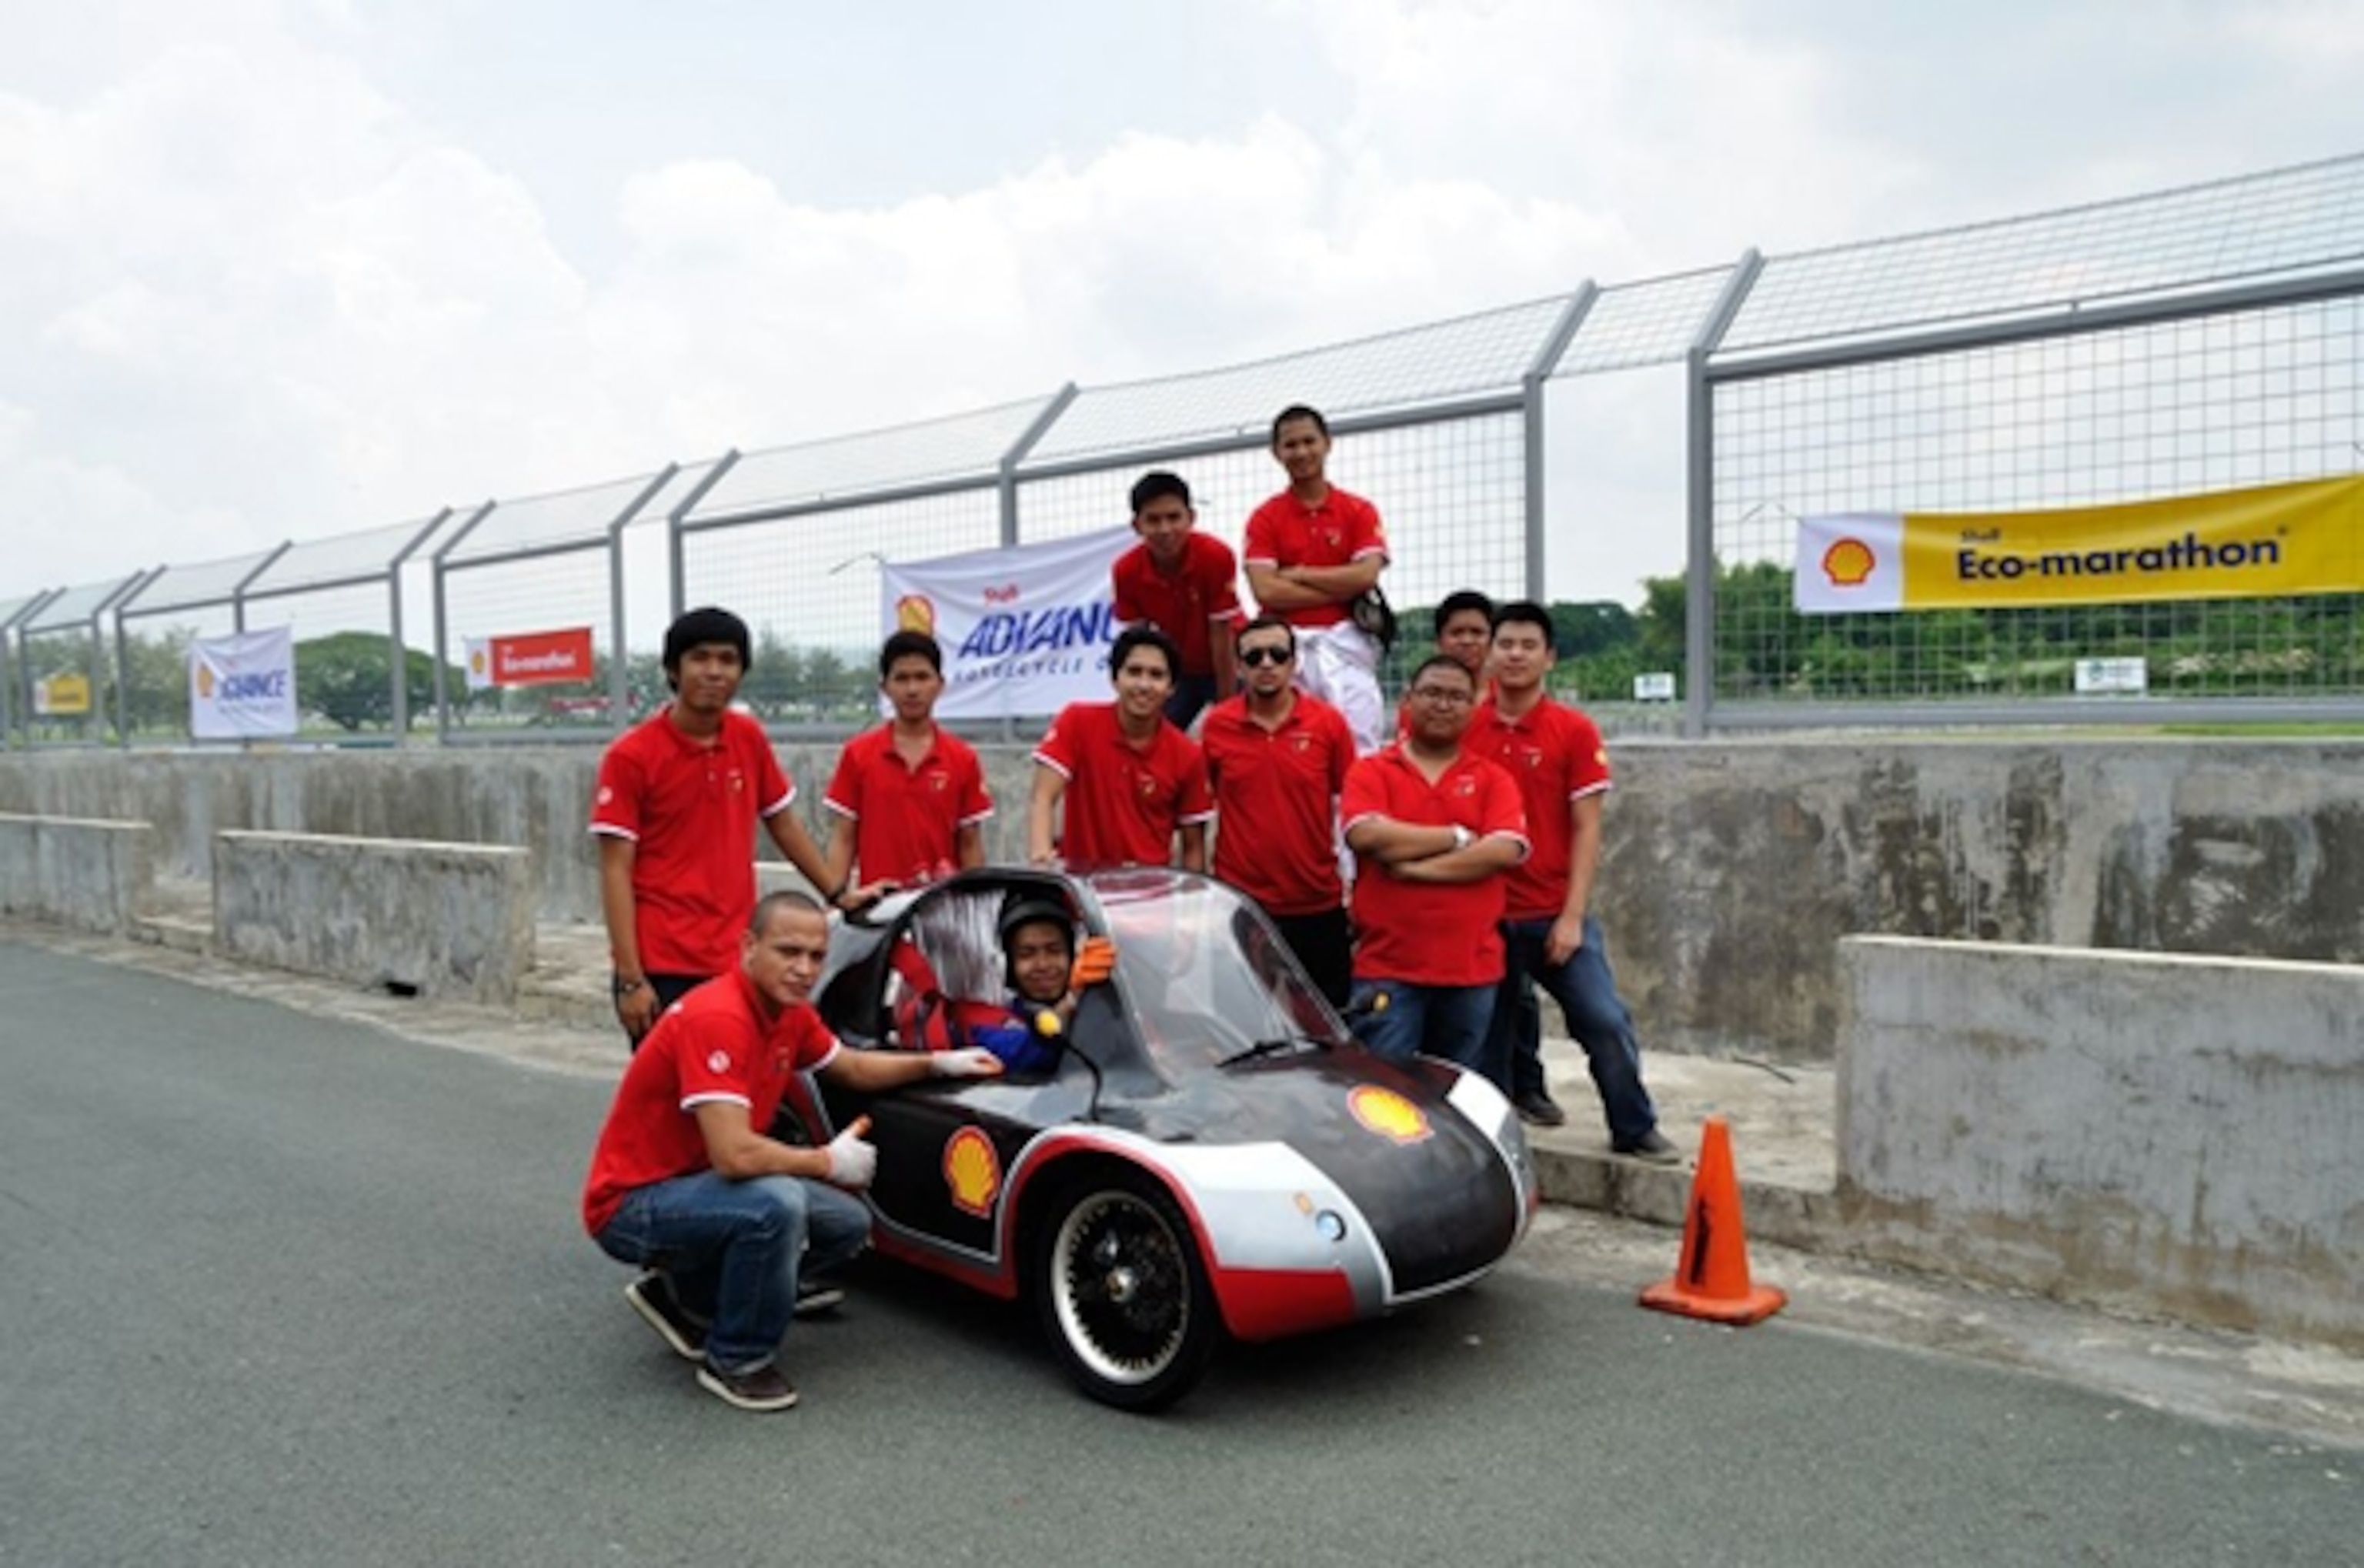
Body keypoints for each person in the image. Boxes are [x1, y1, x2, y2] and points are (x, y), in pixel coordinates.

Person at [581, 891, 1005, 1412]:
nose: (804, 969)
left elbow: (851, 1067)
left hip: (702, 1188)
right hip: (631, 1206)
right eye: (788, 952)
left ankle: (689, 1295)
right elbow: (735, 1156)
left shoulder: (789, 1013)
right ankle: (736, 1359)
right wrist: (826, 1162)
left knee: (847, 1223)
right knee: (776, 1206)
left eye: (816, 956)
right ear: (749, 947)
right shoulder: (719, 1017)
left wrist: (939, 1063)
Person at [590, 607, 870, 1047]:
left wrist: (837, 893)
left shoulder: (748, 738)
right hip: (663, 964)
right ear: (673, 670)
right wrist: (630, 979)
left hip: (737, 959)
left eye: (728, 660)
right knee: (679, 1087)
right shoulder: (631, 757)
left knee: (740, 1080)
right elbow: (614, 869)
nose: (714, 671)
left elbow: (783, 824)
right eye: (700, 658)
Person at [1471, 600, 1678, 1163]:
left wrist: (1571, 917)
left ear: (1550, 658)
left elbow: (1588, 828)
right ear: (1489, 655)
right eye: (1505, 644)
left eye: (1528, 645)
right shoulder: (1465, 727)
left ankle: (1634, 1127)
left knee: (1604, 1020)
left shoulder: (1574, 731)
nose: (1515, 655)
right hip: (1483, 917)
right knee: (1485, 1043)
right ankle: (1487, 1150)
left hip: (1551, 912)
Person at [1339, 656, 1528, 1073]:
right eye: (1432, 693)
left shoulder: (1493, 779)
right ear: (1408, 700)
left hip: (1471, 971)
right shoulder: (1372, 772)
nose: (1443, 705)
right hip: (1388, 969)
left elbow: (1502, 851)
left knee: (1456, 1095)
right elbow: (1367, 836)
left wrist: (1414, 868)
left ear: (1474, 707)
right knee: (1383, 1092)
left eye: (1456, 697)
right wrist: (1456, 837)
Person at [1200, 616, 1357, 1007]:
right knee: (1241, 1021)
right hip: (1242, 903)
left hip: (1317, 901)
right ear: (1239, 667)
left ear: (1294, 662)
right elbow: (1201, 807)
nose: (1267, 664)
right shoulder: (1217, 726)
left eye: (1277, 654)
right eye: (1254, 657)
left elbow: (1352, 807)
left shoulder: (1328, 724)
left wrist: (1355, 883)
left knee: (1329, 1020)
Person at [1242, 404, 1391, 755]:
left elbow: (1366, 575)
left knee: (1360, 745)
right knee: (1292, 748)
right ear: (1276, 452)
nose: (1301, 452)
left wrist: (1300, 574)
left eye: (1309, 441)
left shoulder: (1358, 510)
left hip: (1348, 645)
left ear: (1327, 443)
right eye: (1291, 445)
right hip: (1286, 651)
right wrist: (1341, 585)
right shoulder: (1265, 517)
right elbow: (1266, 590)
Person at [1027, 626, 1213, 872]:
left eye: (1156, 675)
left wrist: (1193, 895)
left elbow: (1193, 846)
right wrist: (1041, 861)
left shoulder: (1189, 755)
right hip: (1081, 887)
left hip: (1150, 890)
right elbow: (1043, 797)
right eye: (1134, 672)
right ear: (1115, 679)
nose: (1144, 685)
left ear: (1171, 688)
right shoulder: (1076, 722)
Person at [821, 630, 993, 893]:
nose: (912, 689)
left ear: (940, 684)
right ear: (885, 687)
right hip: (878, 906)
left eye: (922, 677)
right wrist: (834, 901)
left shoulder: (963, 759)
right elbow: (844, 838)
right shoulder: (857, 754)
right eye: (901, 678)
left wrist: (978, 906)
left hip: (940, 906)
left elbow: (970, 844)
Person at [1110, 470, 1244, 731]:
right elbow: (1137, 643)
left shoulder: (1216, 555)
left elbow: (1221, 633)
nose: (1165, 529)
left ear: (1191, 517)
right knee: (1149, 733)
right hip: (1178, 670)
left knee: (1238, 730)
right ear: (1137, 525)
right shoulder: (1125, 570)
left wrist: (1227, 706)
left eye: (1174, 518)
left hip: (1229, 662)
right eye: (1153, 520)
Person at [967, 896, 1119, 1074]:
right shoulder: (991, 1025)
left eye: (1054, 951)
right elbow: (1024, 1055)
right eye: (1027, 954)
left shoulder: (1112, 1011)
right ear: (1009, 965)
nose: (1043, 965)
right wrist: (1071, 1000)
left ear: (1073, 956)